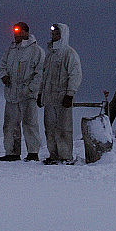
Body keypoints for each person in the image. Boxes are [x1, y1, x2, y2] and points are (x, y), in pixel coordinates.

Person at [0, 22, 45, 161]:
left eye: (19, 32)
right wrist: (4, 76)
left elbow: (40, 72)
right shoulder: (11, 50)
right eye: (14, 32)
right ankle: (12, 152)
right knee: (10, 124)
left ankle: (33, 152)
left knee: (30, 123)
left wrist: (32, 89)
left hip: (27, 94)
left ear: (26, 32)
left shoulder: (36, 51)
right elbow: (2, 65)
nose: (16, 35)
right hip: (12, 93)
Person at [38, 23, 82, 165]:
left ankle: (65, 156)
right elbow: (44, 77)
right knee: (49, 127)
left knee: (64, 128)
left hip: (63, 97)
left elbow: (75, 74)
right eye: (53, 34)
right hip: (49, 98)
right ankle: (54, 155)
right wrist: (41, 94)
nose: (55, 36)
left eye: (57, 34)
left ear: (63, 35)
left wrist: (70, 94)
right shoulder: (50, 55)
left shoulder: (69, 53)